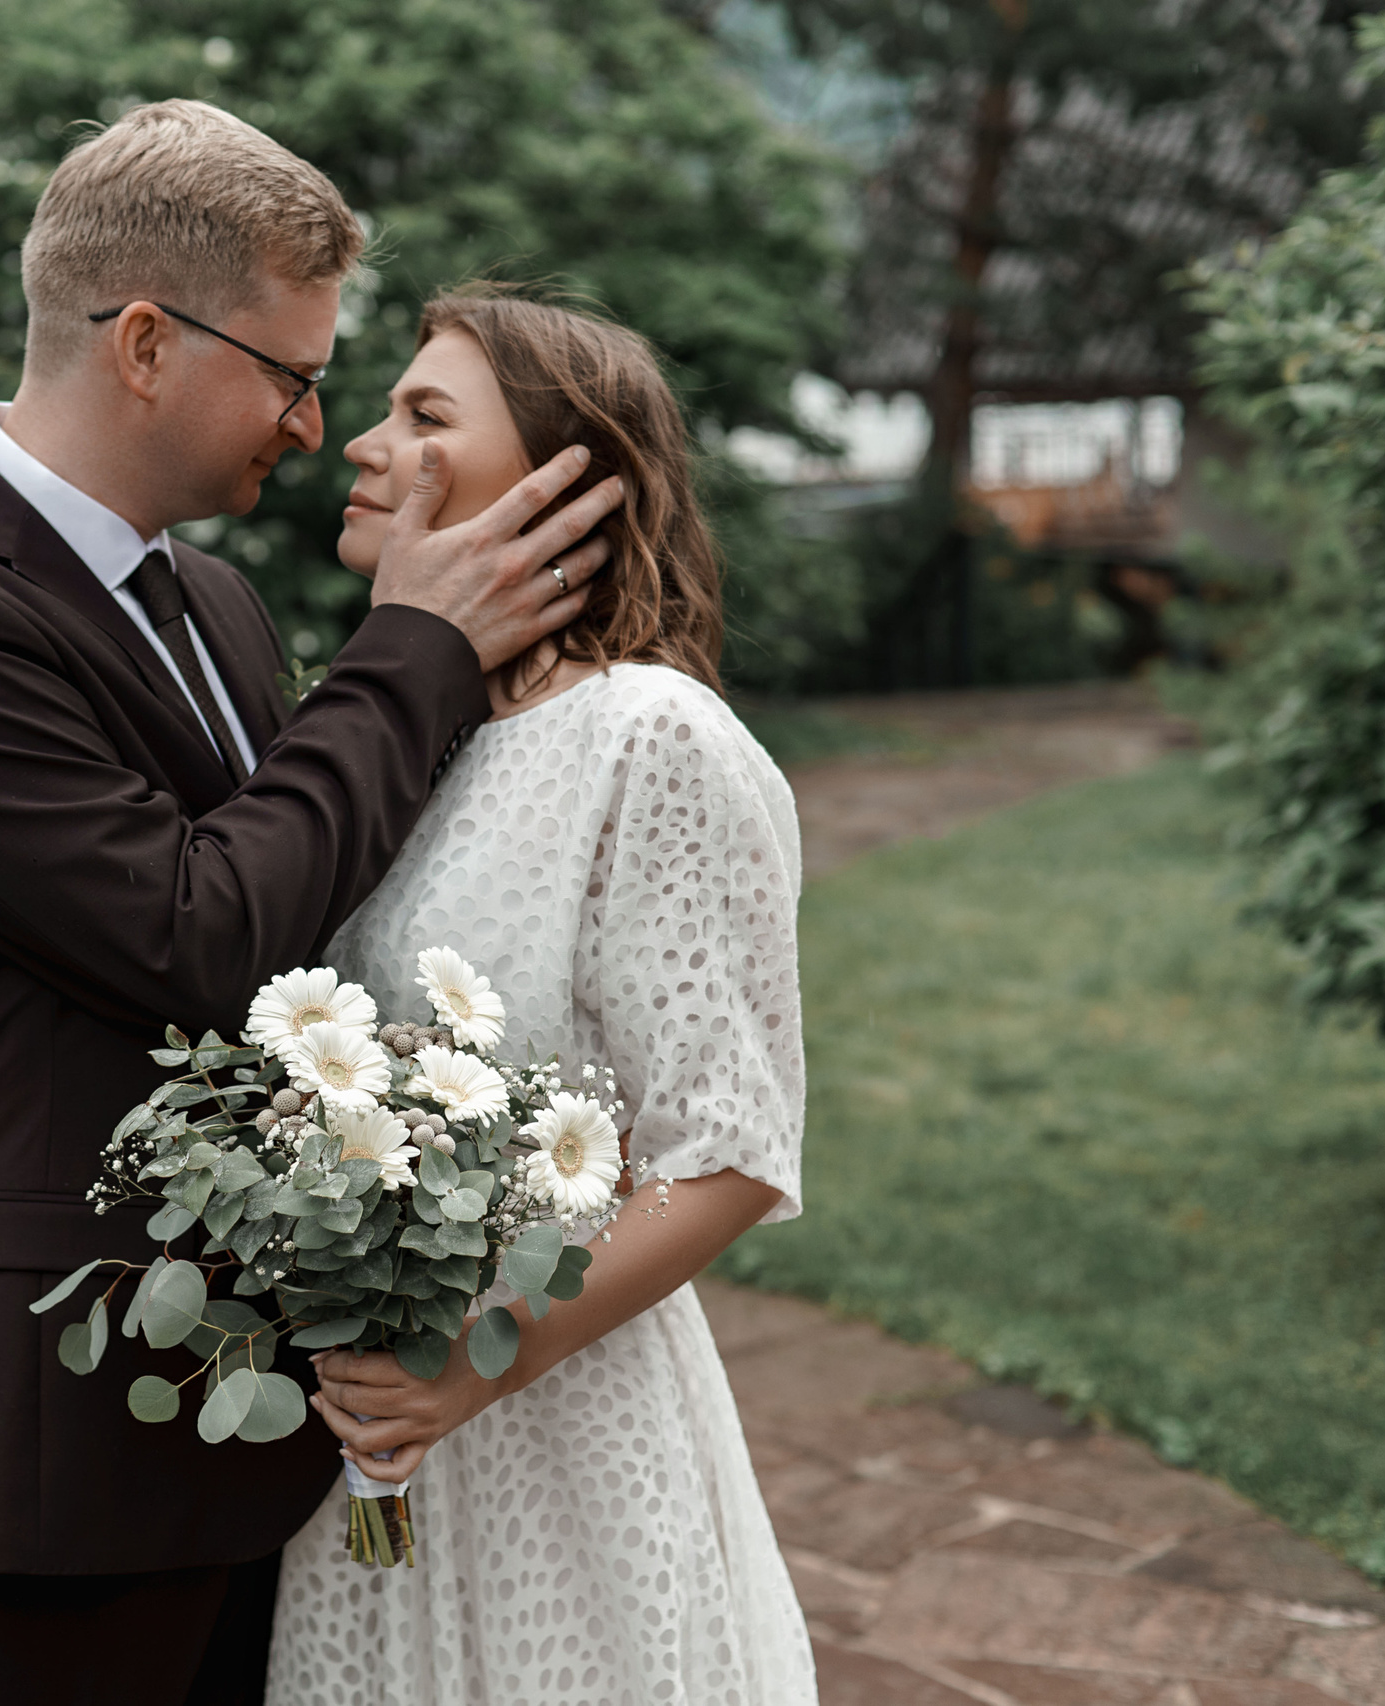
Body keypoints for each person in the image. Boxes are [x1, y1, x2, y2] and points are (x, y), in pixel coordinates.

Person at [0, 105, 623, 1706]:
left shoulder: (215, 598)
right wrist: (416, 654)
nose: (313, 429)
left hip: (234, 1432)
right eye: (293, 375)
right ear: (150, 343)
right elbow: (194, 936)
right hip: (21, 1461)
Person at [265, 291, 818, 1705]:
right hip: (380, 1438)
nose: (363, 447)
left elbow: (730, 1152)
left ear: (567, 486)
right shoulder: (409, 736)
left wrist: (472, 1363)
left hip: (552, 1421)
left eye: (425, 418)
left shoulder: (654, 738)